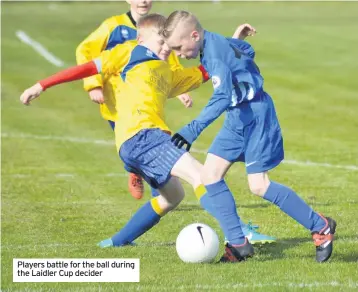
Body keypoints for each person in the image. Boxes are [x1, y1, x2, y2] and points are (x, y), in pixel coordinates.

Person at [19, 14, 272, 255]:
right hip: (143, 137)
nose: (166, 48)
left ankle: (116, 242)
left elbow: (212, 69)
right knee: (203, 176)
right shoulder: (128, 52)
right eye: (161, 42)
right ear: (141, 40)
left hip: (139, 144)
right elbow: (86, 68)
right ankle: (238, 235)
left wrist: (234, 41)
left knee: (173, 196)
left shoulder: (167, 73)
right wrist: (40, 85)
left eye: (169, 44)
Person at [161, 10, 336, 263]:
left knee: (259, 185)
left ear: (194, 35)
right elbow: (246, 52)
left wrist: (192, 129)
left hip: (256, 116)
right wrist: (236, 41)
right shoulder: (212, 43)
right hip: (237, 117)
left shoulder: (214, 52)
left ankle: (321, 226)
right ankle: (238, 244)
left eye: (178, 46)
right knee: (209, 176)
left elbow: (221, 97)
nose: (177, 53)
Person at [76, 0, 191, 200]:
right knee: (134, 145)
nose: (143, 1)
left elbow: (168, 58)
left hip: (144, 99)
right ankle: (136, 172)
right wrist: (93, 84)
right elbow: (85, 50)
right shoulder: (113, 26)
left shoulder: (158, 28)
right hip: (115, 102)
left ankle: (157, 191)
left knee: (147, 143)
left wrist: (180, 88)